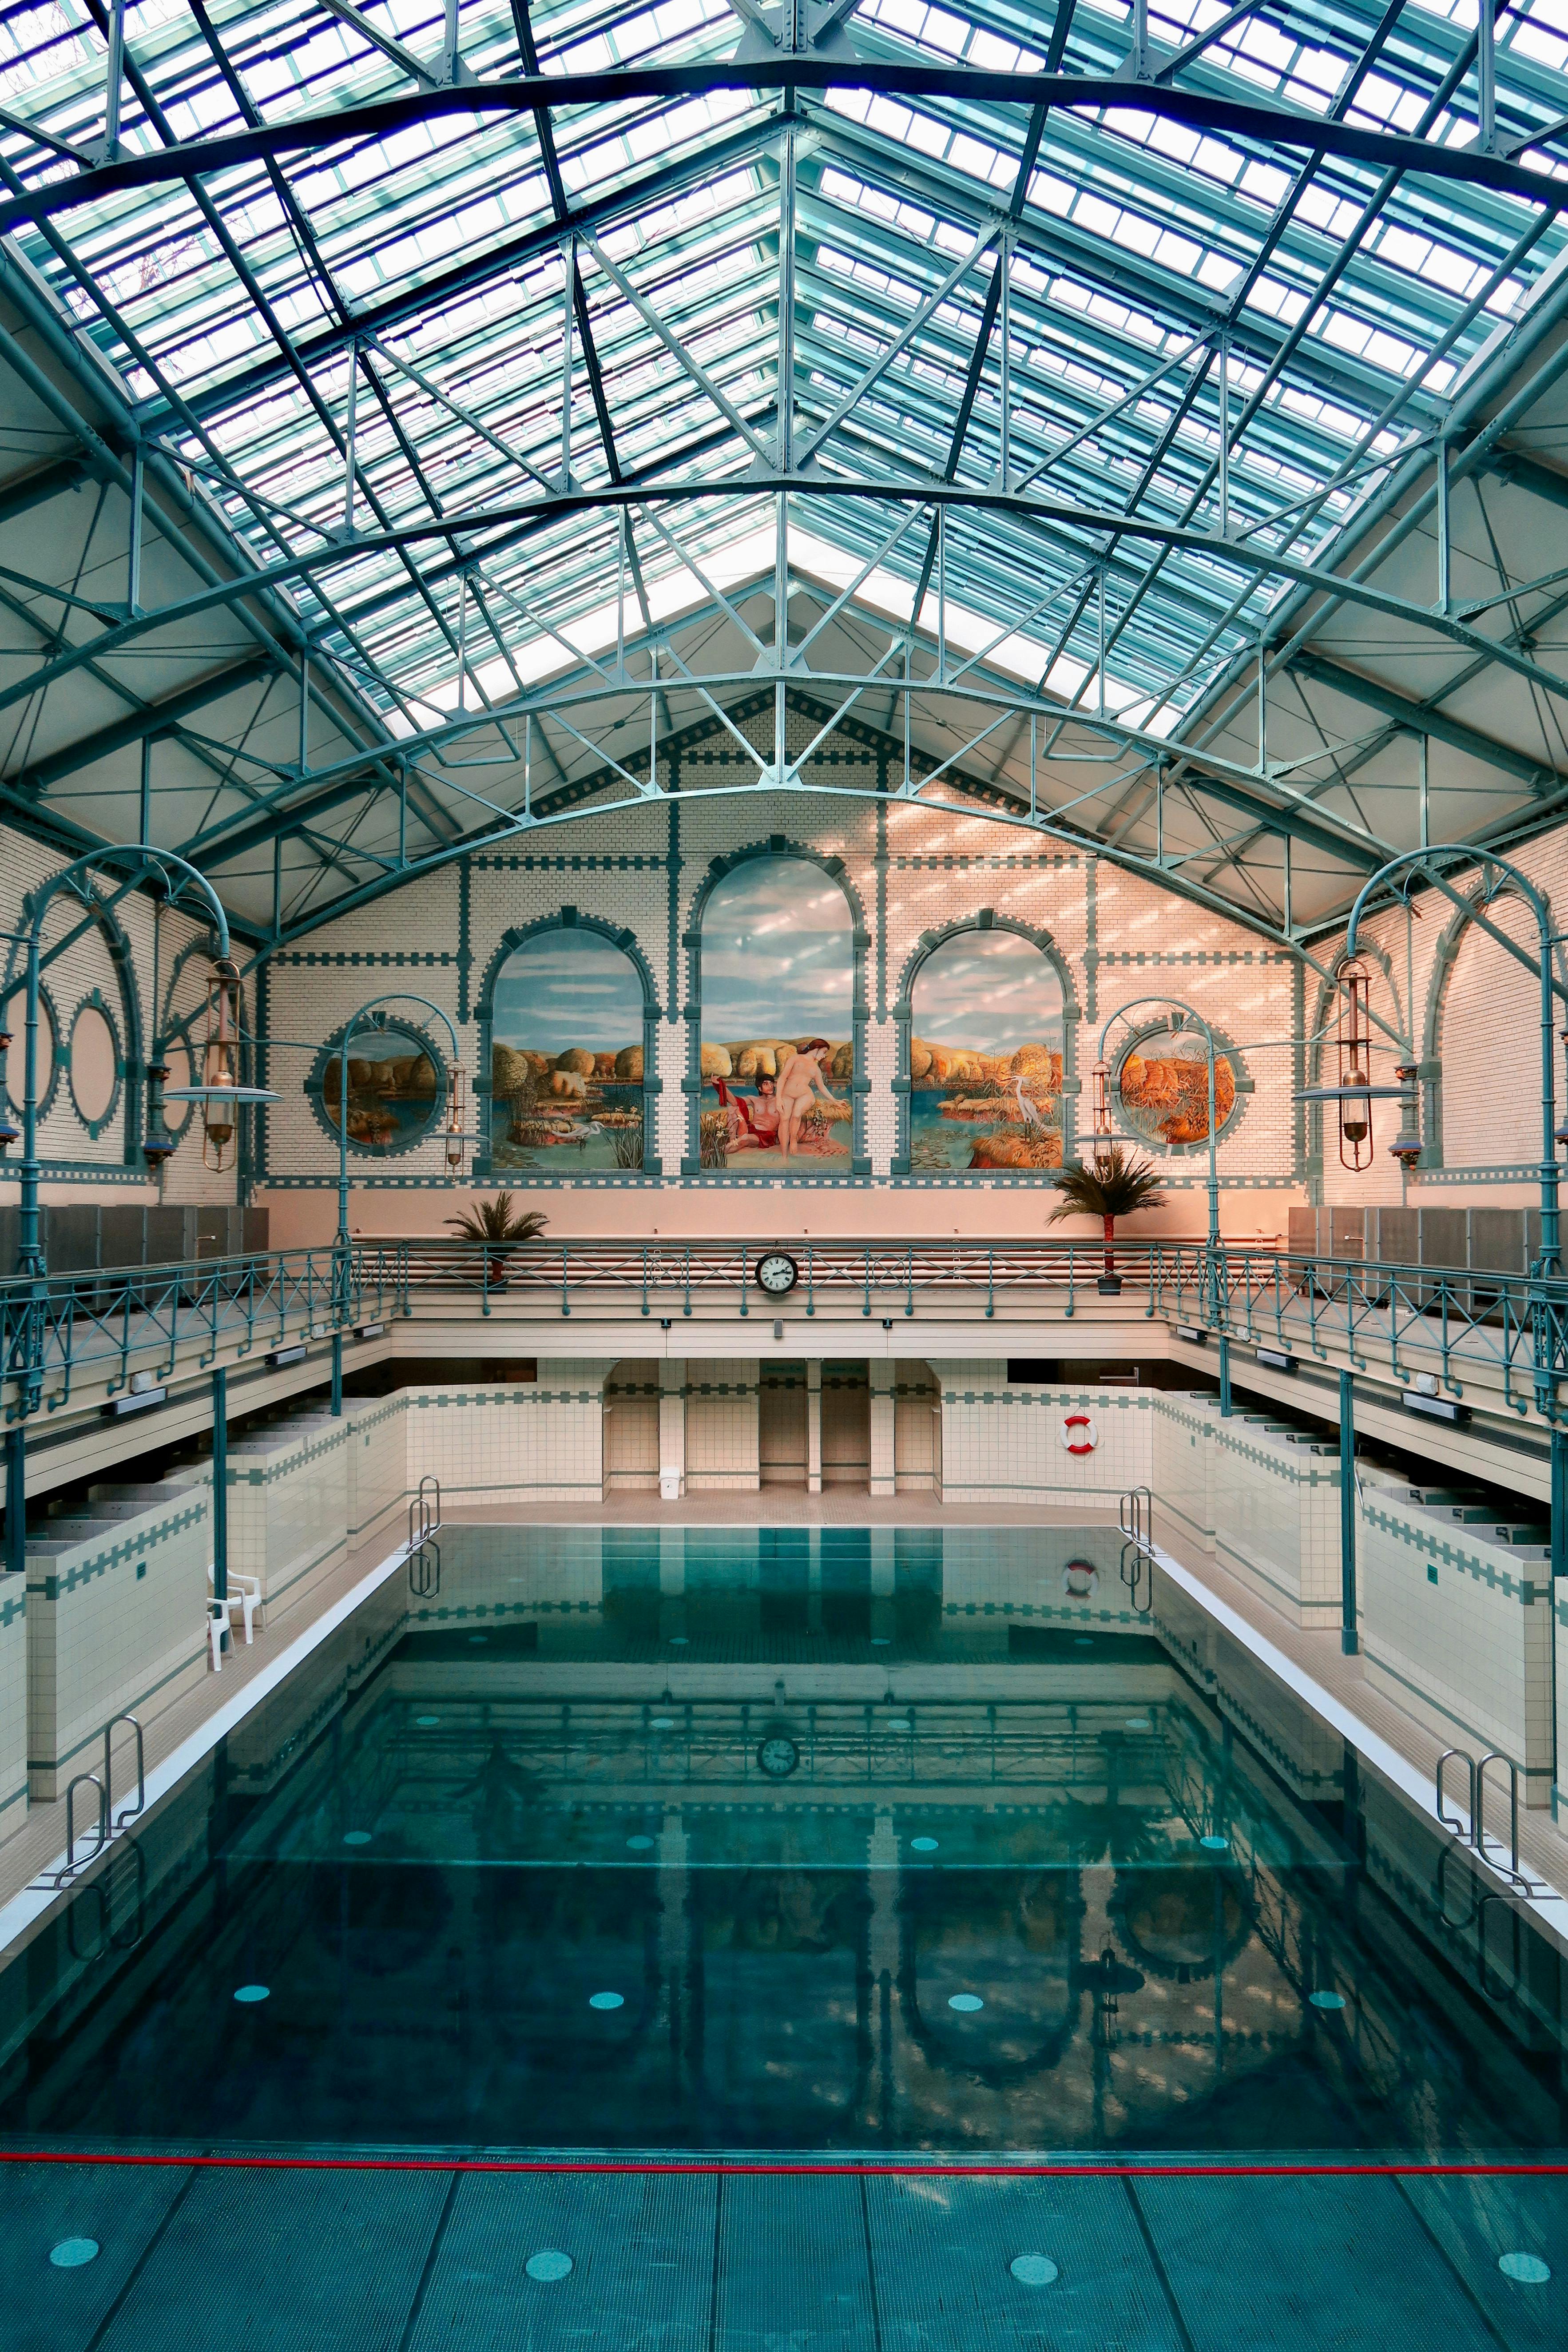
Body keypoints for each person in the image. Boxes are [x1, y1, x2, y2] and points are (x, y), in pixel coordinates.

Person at [777, 1039, 841, 1159]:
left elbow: (822, 1087)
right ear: (816, 1049)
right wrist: (778, 1099)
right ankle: (784, 1155)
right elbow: (782, 1078)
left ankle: (794, 1138)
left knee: (796, 1115)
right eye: (824, 1052)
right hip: (787, 1094)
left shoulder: (816, 1069)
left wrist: (834, 1100)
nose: (824, 1056)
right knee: (784, 1119)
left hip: (804, 1094)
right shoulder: (795, 1059)